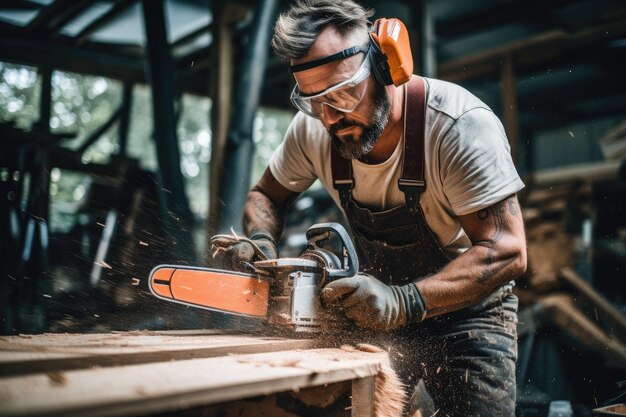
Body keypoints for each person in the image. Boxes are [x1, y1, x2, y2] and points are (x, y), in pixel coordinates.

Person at [221, 0, 527, 415]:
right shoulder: (316, 128)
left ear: (387, 67)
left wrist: (403, 301)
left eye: (344, 92)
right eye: (314, 101)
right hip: (373, 306)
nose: (331, 117)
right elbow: (265, 195)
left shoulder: (458, 125)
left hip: (467, 310)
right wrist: (260, 239)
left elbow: (507, 250)